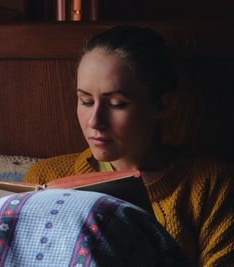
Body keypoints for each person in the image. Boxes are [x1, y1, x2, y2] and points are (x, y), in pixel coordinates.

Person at [24, 25, 234, 266]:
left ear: (161, 105)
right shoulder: (44, 178)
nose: (95, 122)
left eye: (116, 104)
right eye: (85, 101)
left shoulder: (211, 186)